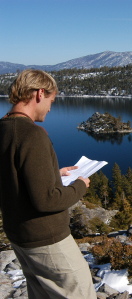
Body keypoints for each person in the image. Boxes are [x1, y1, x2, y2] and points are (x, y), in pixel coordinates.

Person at [0, 69, 97, 298]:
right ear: (39, 93)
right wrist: (80, 185)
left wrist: (55, 173)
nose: (51, 108)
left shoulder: (3, 128)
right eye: (51, 100)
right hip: (46, 238)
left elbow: (11, 175)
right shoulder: (32, 134)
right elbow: (48, 200)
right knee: (79, 292)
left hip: (19, 235)